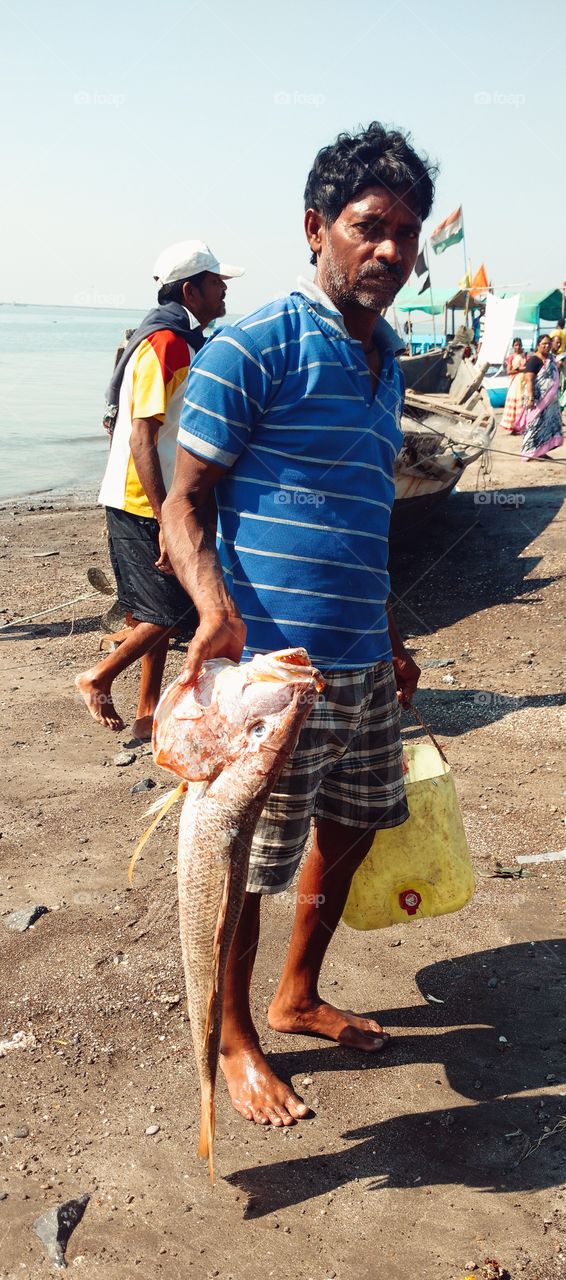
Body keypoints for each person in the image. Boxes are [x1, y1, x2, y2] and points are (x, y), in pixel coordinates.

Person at [162, 122, 435, 1128]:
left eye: (406, 235)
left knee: (356, 825)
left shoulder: (389, 357)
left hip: (362, 656)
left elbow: (359, 510)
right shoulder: (251, 343)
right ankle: (233, 1027)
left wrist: (390, 633)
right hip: (275, 668)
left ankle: (294, 990)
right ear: (315, 228)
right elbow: (179, 503)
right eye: (370, 227)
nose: (391, 253)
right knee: (243, 857)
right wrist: (213, 607)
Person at [76, 241, 244, 736]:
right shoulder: (165, 345)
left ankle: (148, 715)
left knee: (153, 609)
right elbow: (141, 435)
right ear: (191, 290)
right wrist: (165, 516)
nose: (224, 288)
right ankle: (97, 676)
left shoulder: (184, 342)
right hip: (141, 498)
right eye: (217, 281)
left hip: (161, 497)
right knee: (172, 609)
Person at [520, 334, 563, 460]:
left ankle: (541, 452)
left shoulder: (551, 359)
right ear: (538, 345)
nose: (547, 346)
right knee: (534, 425)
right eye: (544, 343)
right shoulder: (534, 360)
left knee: (546, 426)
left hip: (550, 402)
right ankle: (528, 453)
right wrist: (531, 398)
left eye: (549, 343)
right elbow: (529, 380)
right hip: (536, 400)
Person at [500, 338, 526, 433]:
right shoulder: (511, 357)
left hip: (523, 382)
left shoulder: (525, 356)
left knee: (523, 403)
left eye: (519, 345)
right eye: (516, 345)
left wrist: (523, 369)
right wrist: (520, 369)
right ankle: (513, 426)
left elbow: (528, 368)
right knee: (515, 403)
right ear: (513, 346)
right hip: (515, 382)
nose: (518, 347)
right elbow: (509, 371)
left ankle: (521, 425)